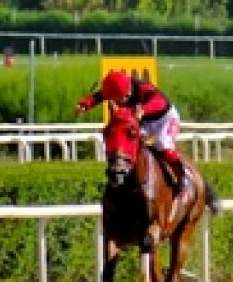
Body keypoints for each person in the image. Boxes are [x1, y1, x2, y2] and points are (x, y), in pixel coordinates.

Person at [75, 70, 190, 198]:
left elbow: (160, 102)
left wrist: (144, 109)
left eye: (117, 99)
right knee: (129, 139)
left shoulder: (143, 87)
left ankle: (183, 175)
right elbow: (99, 96)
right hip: (145, 121)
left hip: (165, 119)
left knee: (163, 144)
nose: (117, 102)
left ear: (126, 92)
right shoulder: (115, 89)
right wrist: (84, 105)